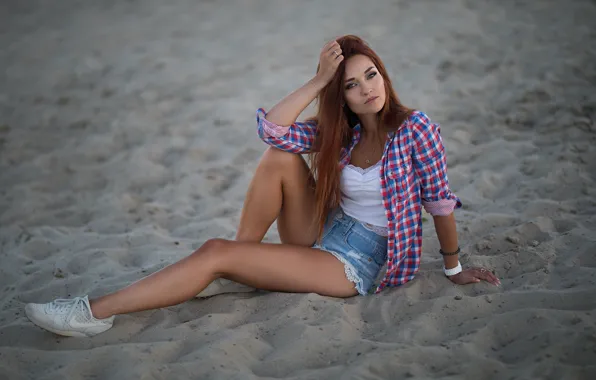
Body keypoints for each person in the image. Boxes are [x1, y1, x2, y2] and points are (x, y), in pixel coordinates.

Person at [25, 35, 500, 338]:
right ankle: (234, 266)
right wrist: (319, 80)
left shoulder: (416, 129)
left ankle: (91, 313)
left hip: (358, 263)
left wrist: (454, 267)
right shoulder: (342, 131)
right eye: (352, 84)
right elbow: (273, 131)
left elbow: (439, 201)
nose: (367, 88)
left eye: (371, 75)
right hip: (327, 229)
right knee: (279, 157)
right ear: (343, 95)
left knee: (215, 251)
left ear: (384, 75)